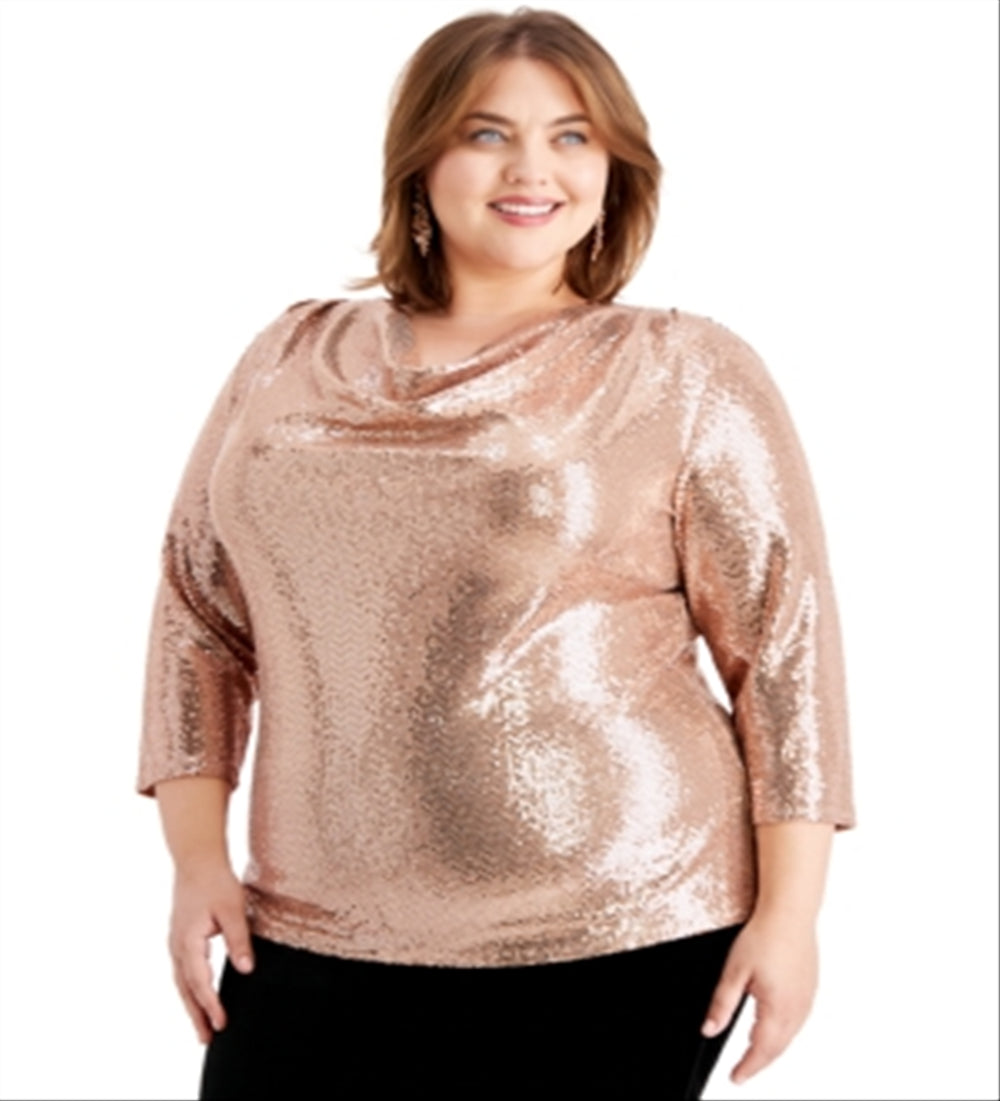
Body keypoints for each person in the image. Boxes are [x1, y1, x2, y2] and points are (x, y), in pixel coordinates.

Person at [137, 8, 856, 1099]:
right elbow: (198, 615)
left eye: (572, 137)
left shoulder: (681, 368)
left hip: (621, 927)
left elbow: (784, 650)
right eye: (487, 133)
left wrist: (791, 917)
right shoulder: (289, 352)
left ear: (614, 169)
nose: (532, 170)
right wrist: (195, 862)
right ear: (420, 159)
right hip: (304, 924)